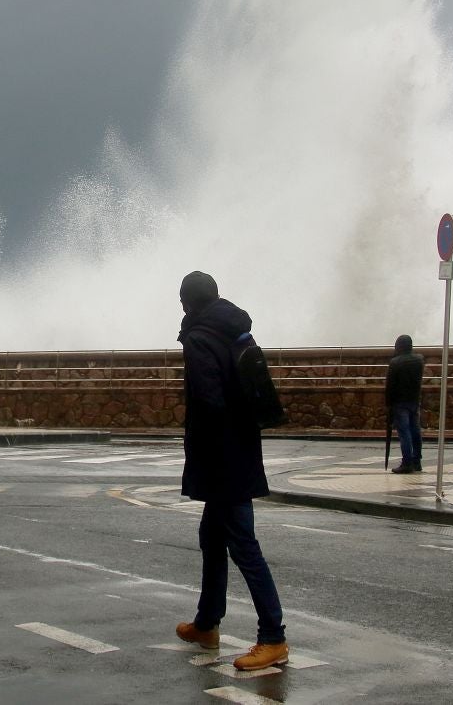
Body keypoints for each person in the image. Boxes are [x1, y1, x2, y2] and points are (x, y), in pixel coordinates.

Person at [171, 271, 290, 672]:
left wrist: (206, 458)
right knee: (212, 537)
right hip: (241, 447)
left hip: (221, 458)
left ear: (189, 303)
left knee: (243, 544)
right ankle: (207, 623)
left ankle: (273, 636)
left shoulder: (200, 337)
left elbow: (208, 400)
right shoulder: (235, 329)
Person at [385, 335, 425, 474]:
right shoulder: (419, 360)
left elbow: (390, 386)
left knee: (404, 432)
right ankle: (417, 461)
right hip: (414, 399)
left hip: (399, 402)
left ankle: (406, 462)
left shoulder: (395, 362)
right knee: (415, 431)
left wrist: (388, 404)